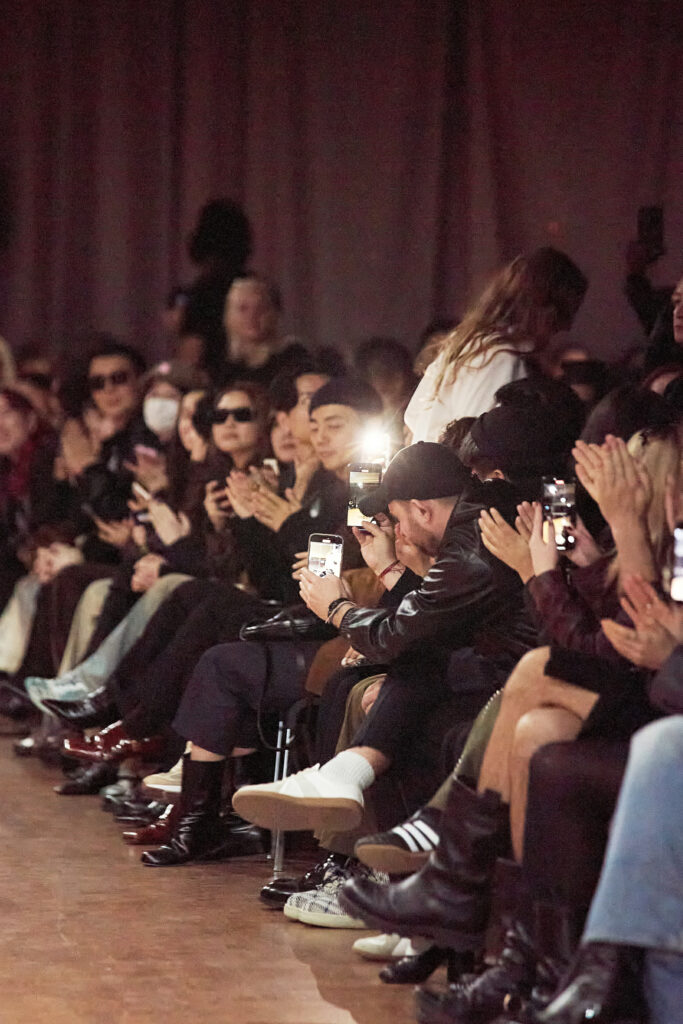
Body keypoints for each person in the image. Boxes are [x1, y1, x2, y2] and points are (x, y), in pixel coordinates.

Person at [404, 248, 587, 443]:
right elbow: (478, 443)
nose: (567, 327)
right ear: (545, 309)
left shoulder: (466, 342)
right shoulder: (501, 359)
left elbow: (414, 417)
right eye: (566, 312)